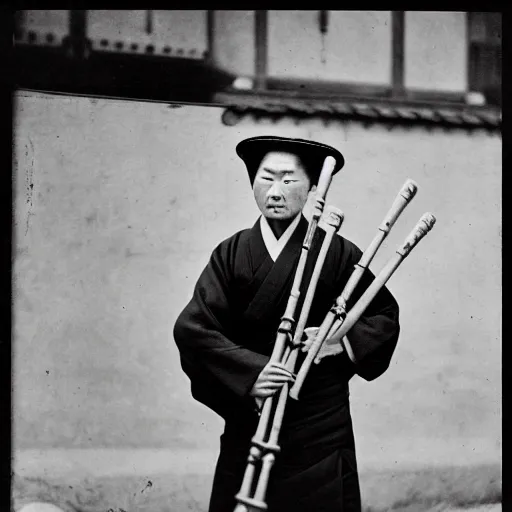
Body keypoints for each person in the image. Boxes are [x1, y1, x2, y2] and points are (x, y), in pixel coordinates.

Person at [173, 136, 400, 512]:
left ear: (313, 188)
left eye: (288, 180)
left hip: (320, 427)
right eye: (265, 179)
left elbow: (383, 315)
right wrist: (252, 374)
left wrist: (339, 341)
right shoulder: (232, 254)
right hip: (253, 418)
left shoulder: (338, 253)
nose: (275, 192)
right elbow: (194, 329)